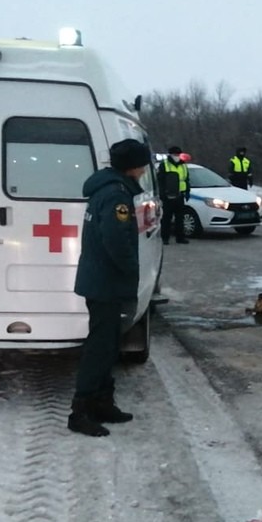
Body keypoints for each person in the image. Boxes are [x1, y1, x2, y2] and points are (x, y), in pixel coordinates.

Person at [68, 138, 152, 436]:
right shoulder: (117, 195)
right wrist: (131, 271)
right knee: (100, 348)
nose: (144, 170)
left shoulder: (106, 188)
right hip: (107, 283)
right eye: (142, 164)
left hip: (101, 280)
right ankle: (80, 412)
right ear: (133, 166)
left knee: (108, 345)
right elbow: (116, 242)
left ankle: (103, 403)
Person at [159, 145, 190, 244]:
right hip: (168, 196)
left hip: (180, 195)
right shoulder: (165, 164)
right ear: (170, 155)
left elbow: (186, 179)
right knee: (166, 218)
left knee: (180, 218)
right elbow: (160, 180)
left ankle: (180, 238)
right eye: (175, 154)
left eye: (178, 154)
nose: (177, 156)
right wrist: (162, 194)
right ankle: (165, 238)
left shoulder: (184, 165)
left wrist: (187, 191)